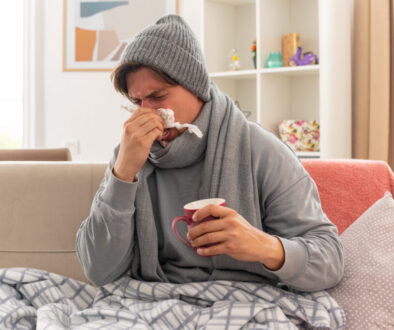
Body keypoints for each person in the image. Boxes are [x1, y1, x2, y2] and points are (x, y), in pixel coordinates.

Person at [76, 15, 344, 292]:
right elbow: (99, 270)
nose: (146, 112)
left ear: (196, 88)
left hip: (250, 303)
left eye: (158, 97)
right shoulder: (129, 156)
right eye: (136, 101)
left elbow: (330, 260)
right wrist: (122, 175)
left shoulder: (261, 149)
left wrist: (264, 246)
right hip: (157, 302)